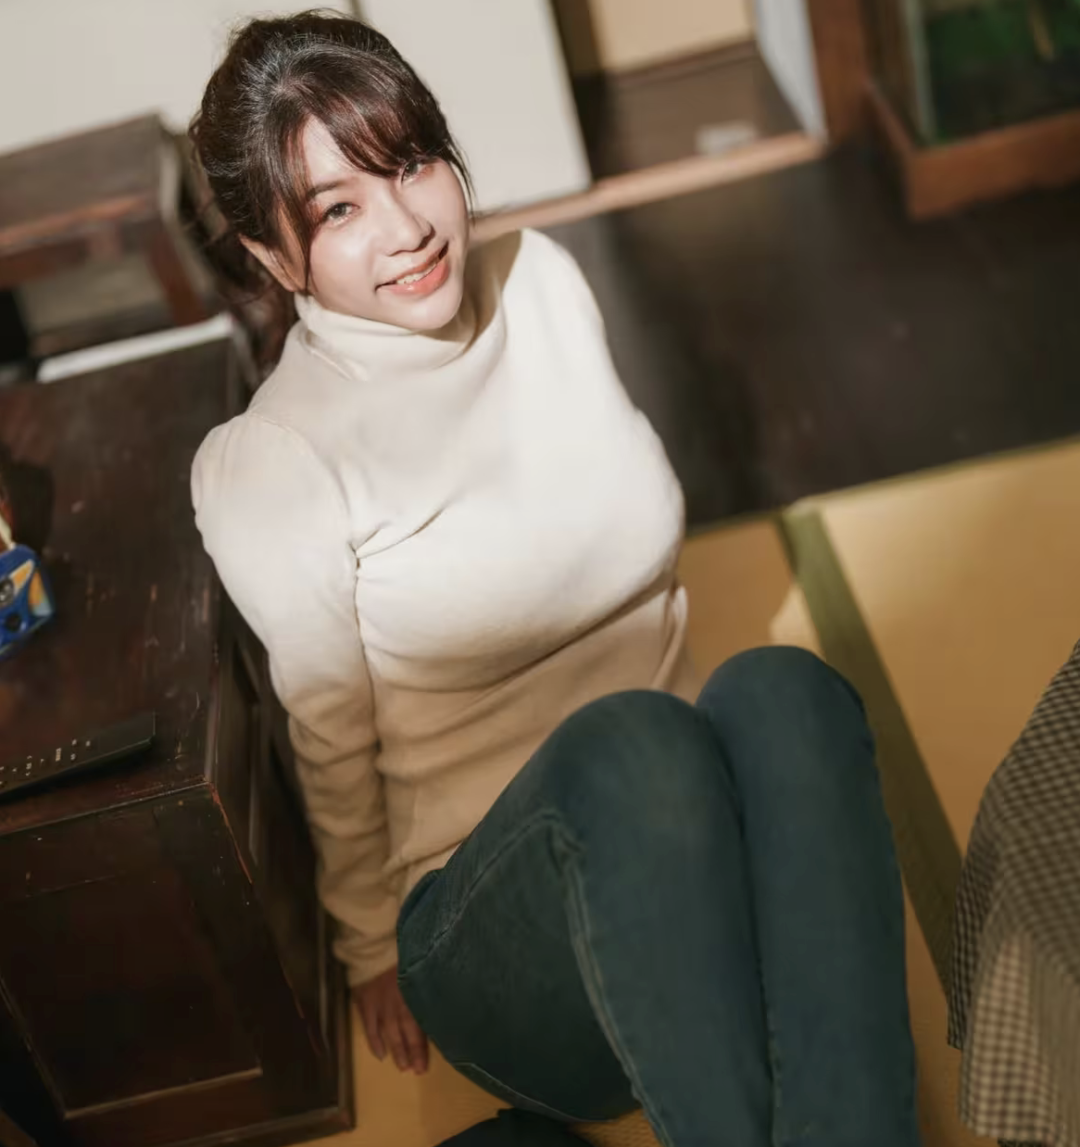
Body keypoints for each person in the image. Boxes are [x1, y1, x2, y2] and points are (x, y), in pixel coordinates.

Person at [189, 13, 921, 1147]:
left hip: (692, 852)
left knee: (788, 690)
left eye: (411, 163)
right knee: (635, 745)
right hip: (499, 927)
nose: (408, 228)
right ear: (274, 259)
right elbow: (325, 731)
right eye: (338, 210)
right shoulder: (272, 462)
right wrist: (370, 947)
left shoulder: (541, 283)